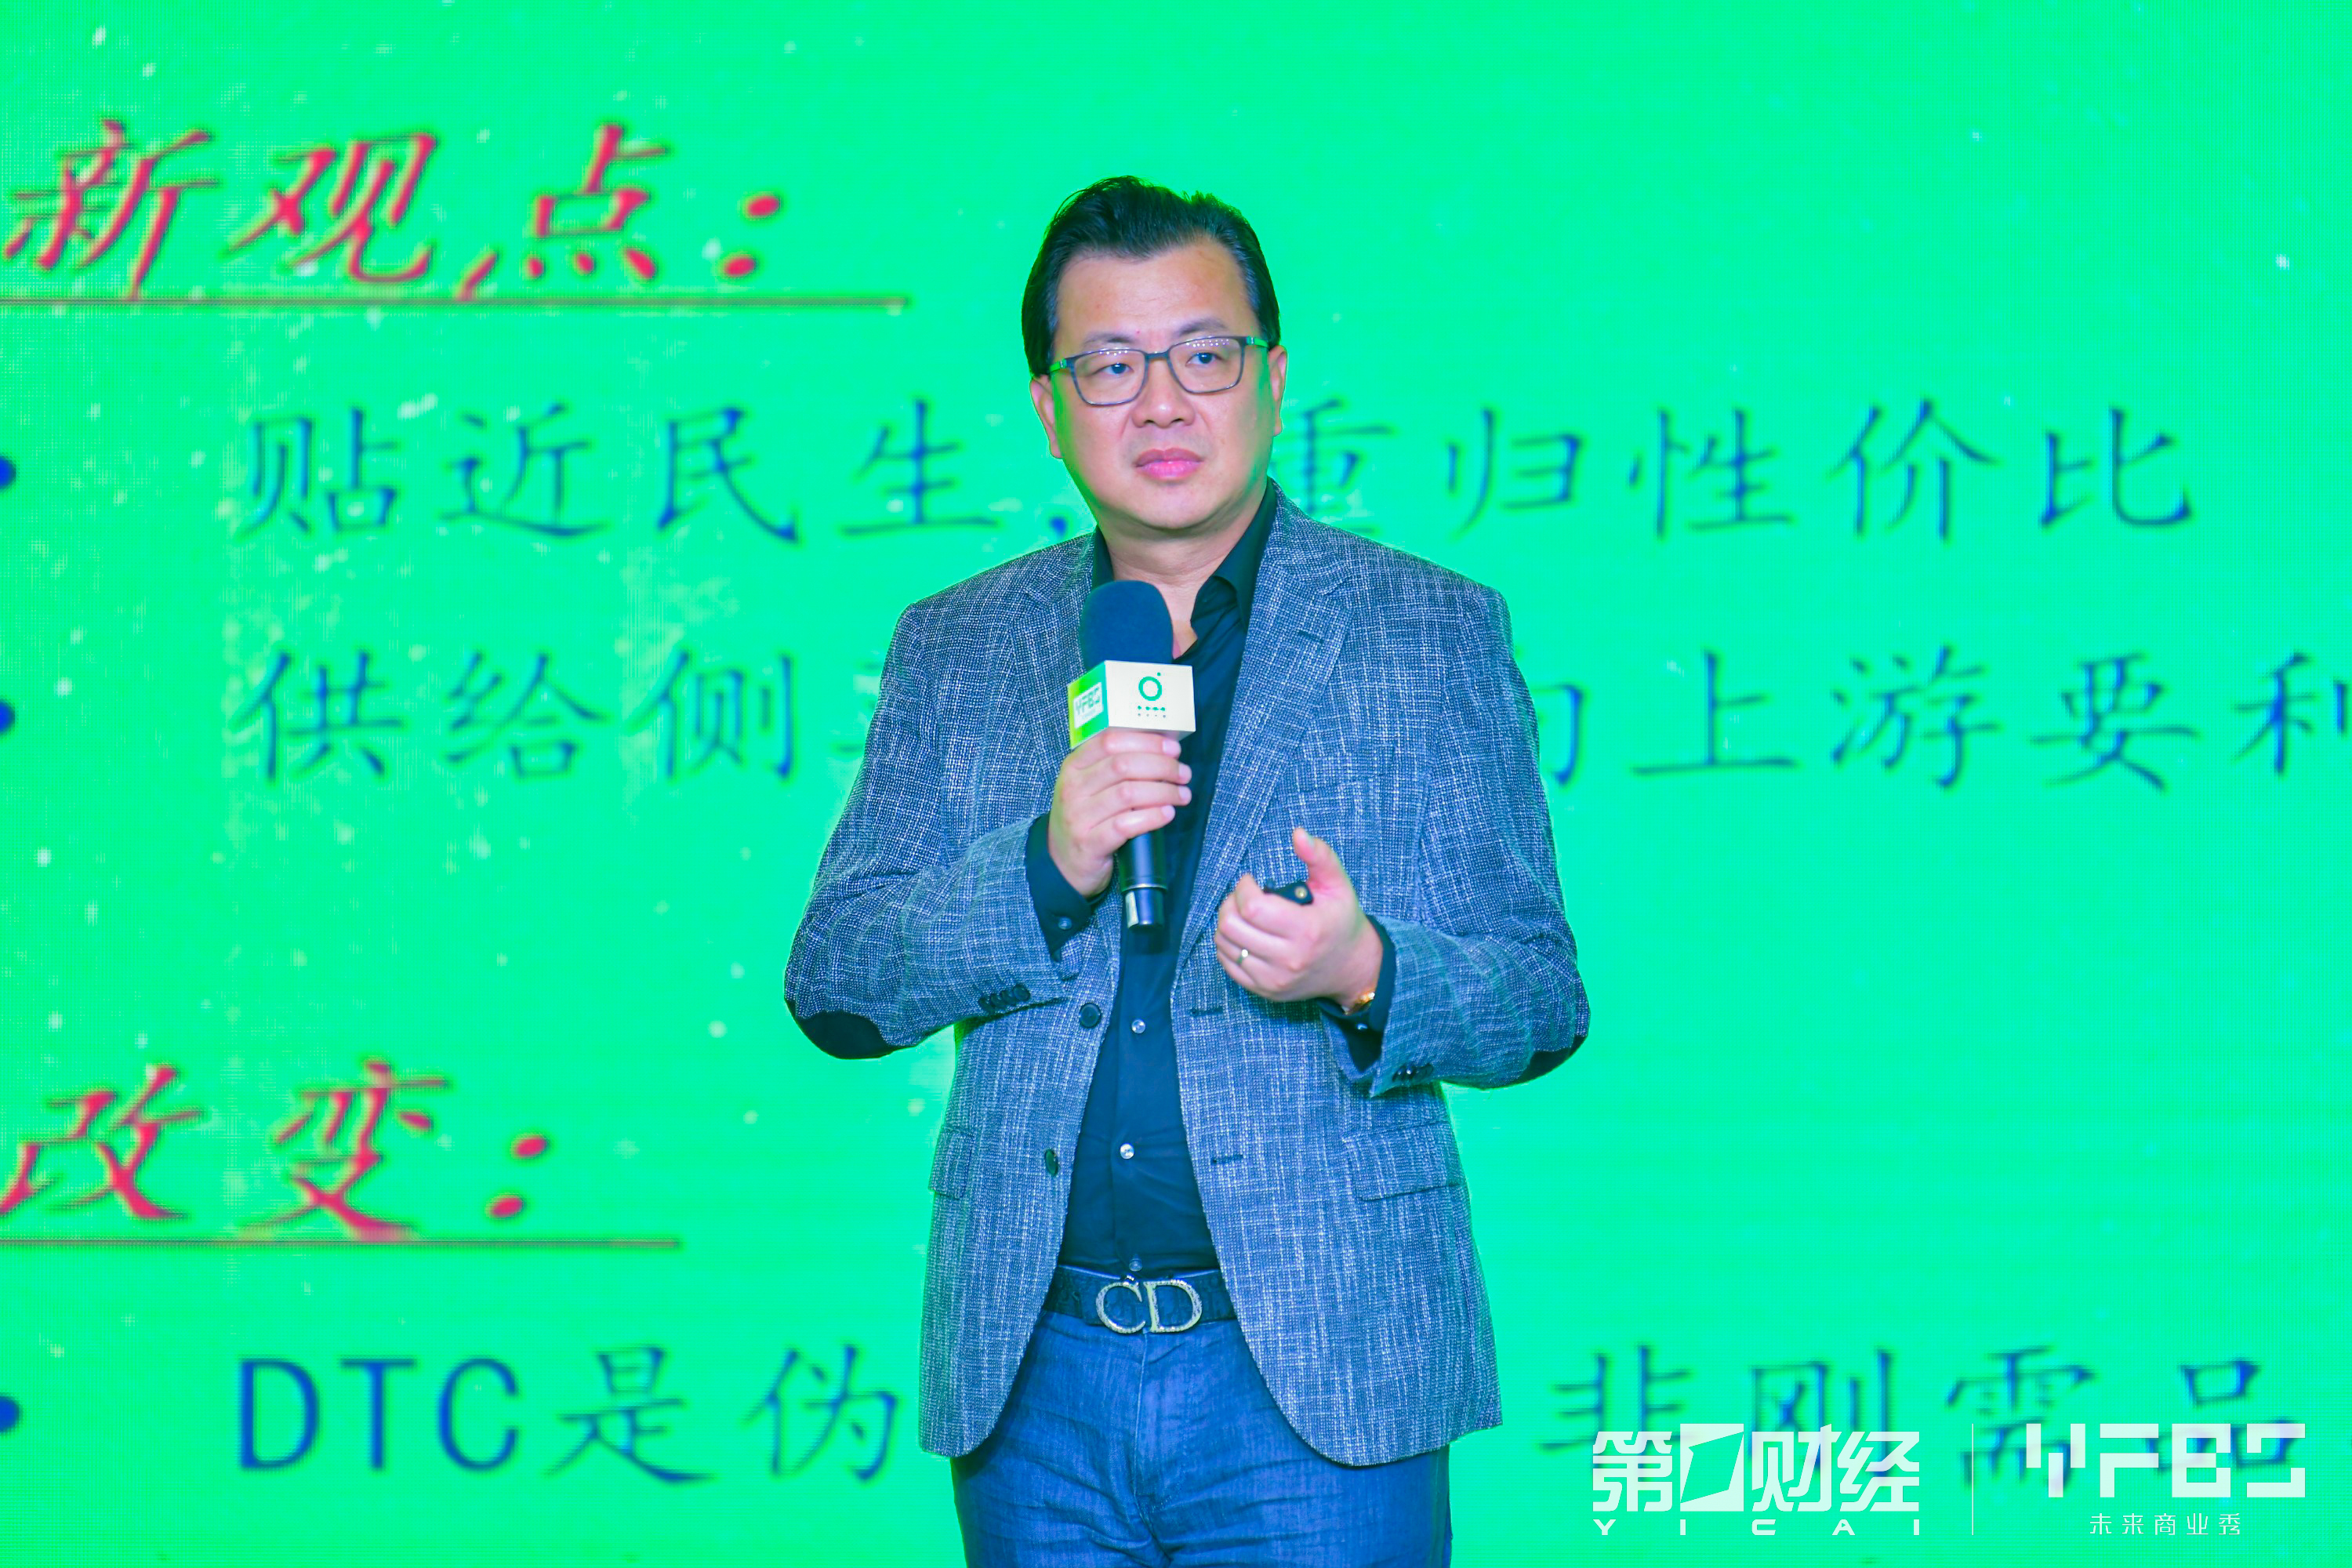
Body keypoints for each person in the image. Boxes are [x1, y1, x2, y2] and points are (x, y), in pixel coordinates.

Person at [786, 175, 1589, 1566]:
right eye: (1109, 367)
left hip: (1322, 1369)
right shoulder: (957, 644)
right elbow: (837, 984)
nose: (1161, 404)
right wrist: (1044, 869)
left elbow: (1540, 998)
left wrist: (1368, 972)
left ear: (1271, 377)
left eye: (1203, 356)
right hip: (1037, 1379)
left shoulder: (1426, 629)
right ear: (1050, 407)